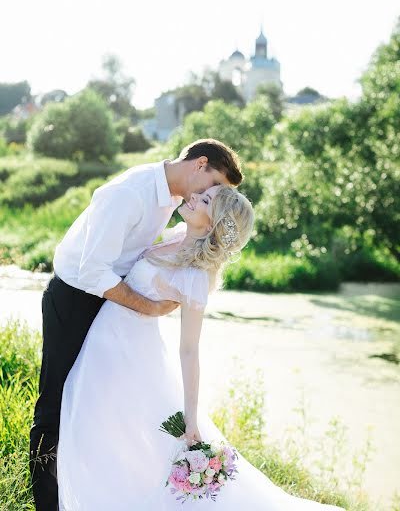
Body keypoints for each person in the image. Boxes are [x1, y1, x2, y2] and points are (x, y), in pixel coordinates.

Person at [56, 184, 345, 510]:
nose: (194, 197)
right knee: (103, 434)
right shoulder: (178, 235)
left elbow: (190, 349)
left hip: (130, 357)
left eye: (205, 200)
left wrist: (191, 417)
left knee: (105, 434)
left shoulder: (193, 276)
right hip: (106, 346)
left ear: (212, 224)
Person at [29, 138, 243, 511]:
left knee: (97, 414)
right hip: (77, 300)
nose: (211, 196)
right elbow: (92, 271)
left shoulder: (176, 201)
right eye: (214, 187)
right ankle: (48, 504)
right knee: (55, 411)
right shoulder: (132, 193)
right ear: (199, 164)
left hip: (113, 315)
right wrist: (150, 307)